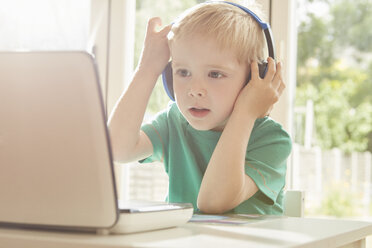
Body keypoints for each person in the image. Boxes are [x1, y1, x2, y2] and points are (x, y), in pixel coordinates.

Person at [108, 1, 292, 215]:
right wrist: (147, 69)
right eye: (183, 72)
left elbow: (213, 202)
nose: (194, 90)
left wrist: (246, 112)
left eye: (215, 74)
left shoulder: (271, 140)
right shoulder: (174, 121)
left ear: (253, 78)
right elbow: (117, 149)